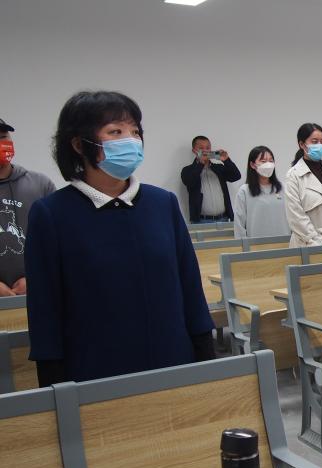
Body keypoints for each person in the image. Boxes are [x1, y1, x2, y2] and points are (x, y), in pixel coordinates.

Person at [26, 91, 214, 386]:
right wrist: (54, 386)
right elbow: (45, 311)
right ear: (79, 144)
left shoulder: (162, 204)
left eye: (135, 132)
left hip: (173, 362)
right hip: (96, 374)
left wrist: (206, 356)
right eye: (115, 132)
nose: (131, 140)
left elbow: (190, 287)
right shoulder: (52, 213)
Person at [0, 117, 55, 296]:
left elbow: (59, 241)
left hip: (36, 294)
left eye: (3, 137)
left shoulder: (40, 184)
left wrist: (36, 277)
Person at [284, 123, 322, 247]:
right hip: (307, 245)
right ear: (302, 144)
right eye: (314, 142)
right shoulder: (293, 175)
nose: (319, 145)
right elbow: (296, 217)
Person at [180, 135, 240, 223]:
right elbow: (190, 181)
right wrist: (201, 163)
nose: (205, 151)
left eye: (208, 148)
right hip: (201, 220)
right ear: (194, 151)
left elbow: (236, 176)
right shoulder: (188, 170)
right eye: (201, 148)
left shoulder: (218, 168)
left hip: (224, 218)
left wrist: (226, 160)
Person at [233, 146, 289, 239]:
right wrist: (242, 245)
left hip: (284, 241)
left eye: (271, 161)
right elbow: (239, 224)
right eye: (263, 161)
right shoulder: (244, 191)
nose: (268, 164)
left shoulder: (283, 188)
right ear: (252, 165)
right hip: (256, 243)